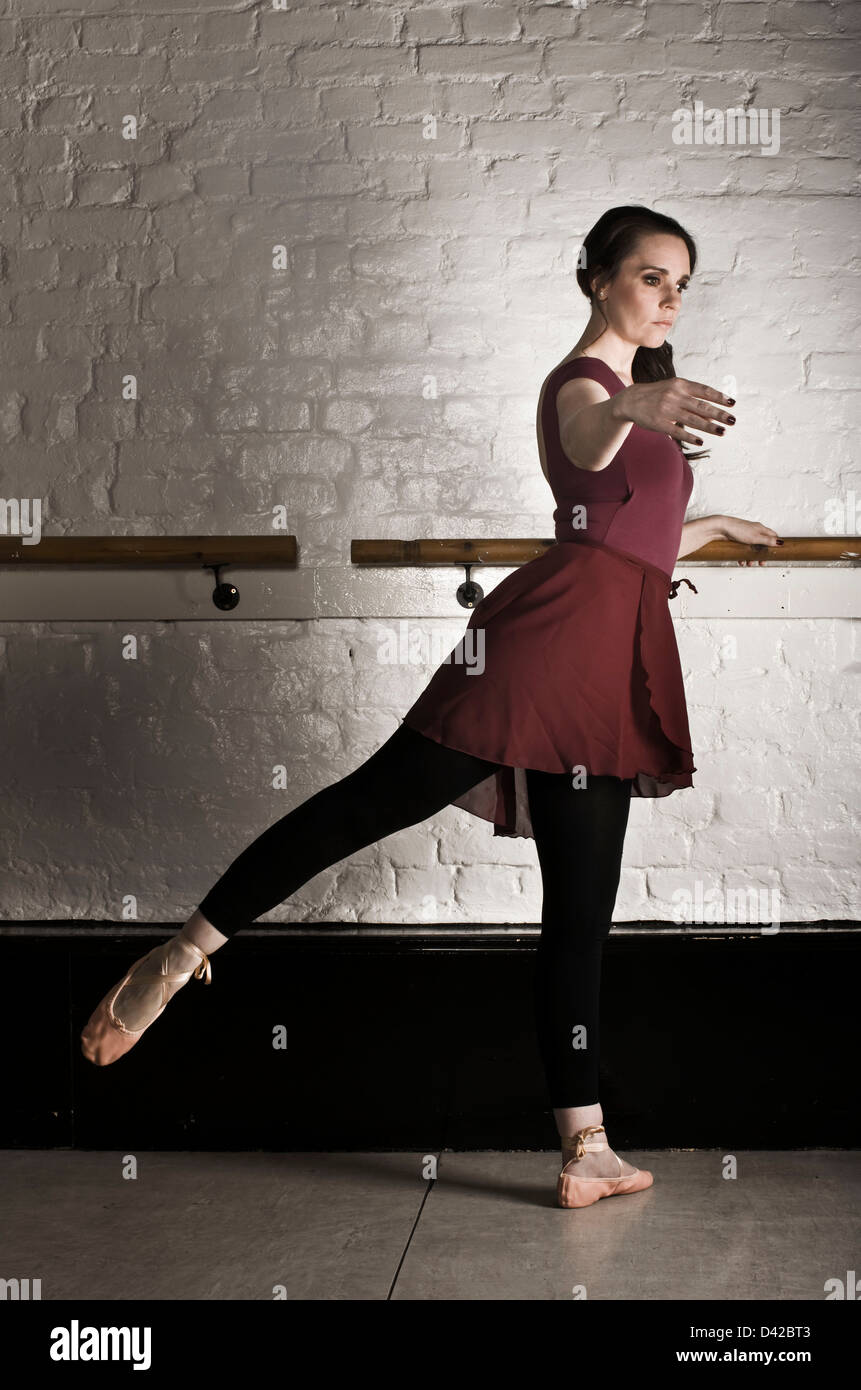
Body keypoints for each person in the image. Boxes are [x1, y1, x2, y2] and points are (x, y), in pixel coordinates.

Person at [81, 204, 781, 1210]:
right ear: (598, 280)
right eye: (649, 276)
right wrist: (636, 408)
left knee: (581, 911)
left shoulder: (642, 395)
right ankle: (182, 952)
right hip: (545, 644)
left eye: (682, 283)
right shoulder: (585, 386)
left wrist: (710, 524)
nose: (670, 296)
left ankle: (585, 1147)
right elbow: (584, 446)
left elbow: (634, 535)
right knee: (375, 801)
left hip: (613, 656)